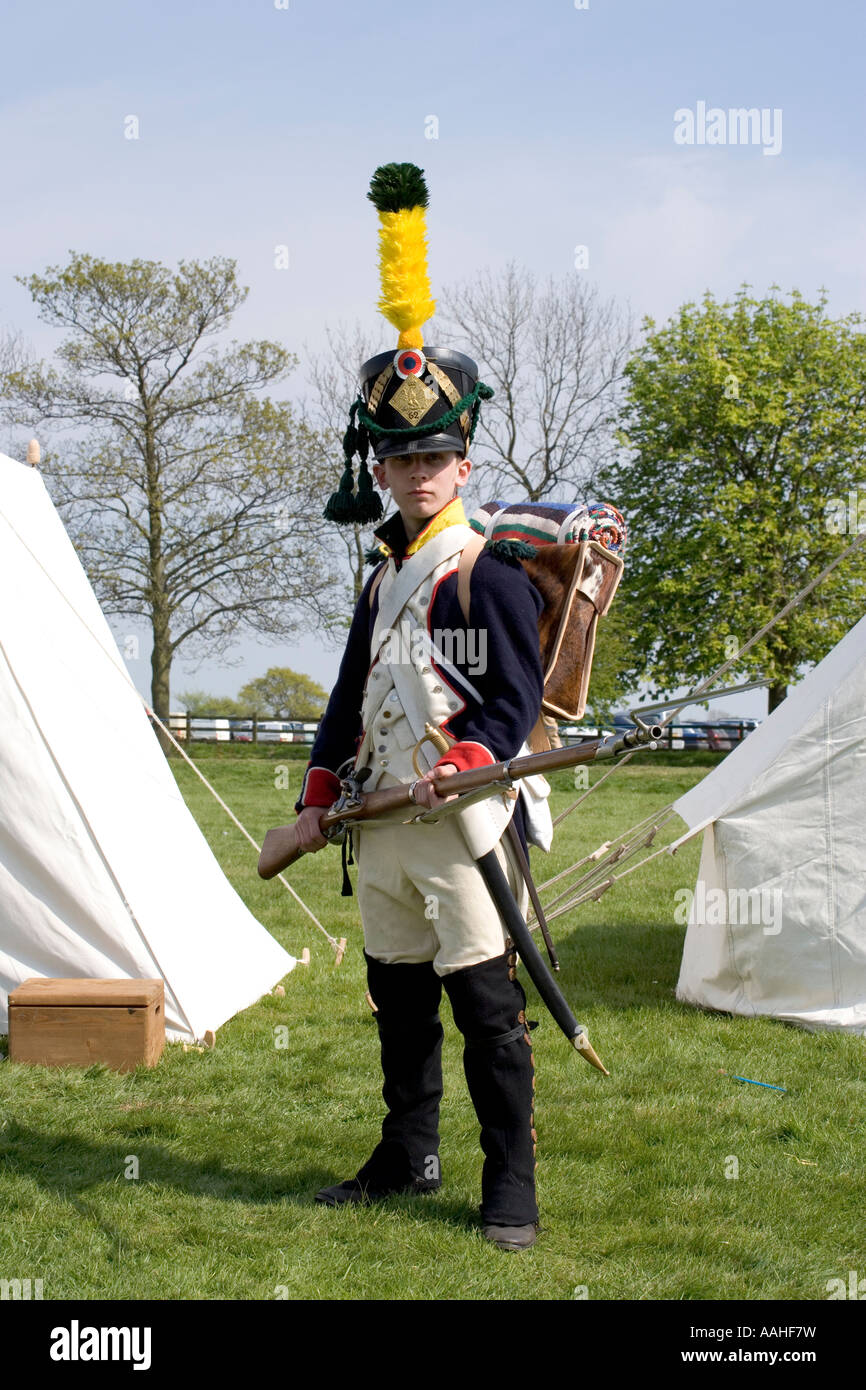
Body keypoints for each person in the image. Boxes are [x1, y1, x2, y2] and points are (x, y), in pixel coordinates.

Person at [292, 163, 550, 1251]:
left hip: (458, 821)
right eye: (398, 456)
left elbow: (512, 696)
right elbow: (350, 692)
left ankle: (511, 1182)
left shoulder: (483, 566)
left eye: (432, 455)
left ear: (464, 458)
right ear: (382, 464)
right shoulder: (379, 574)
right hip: (379, 825)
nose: (414, 472)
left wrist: (468, 760)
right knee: (397, 1000)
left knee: (485, 1008)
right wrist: (316, 786)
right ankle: (408, 1153)